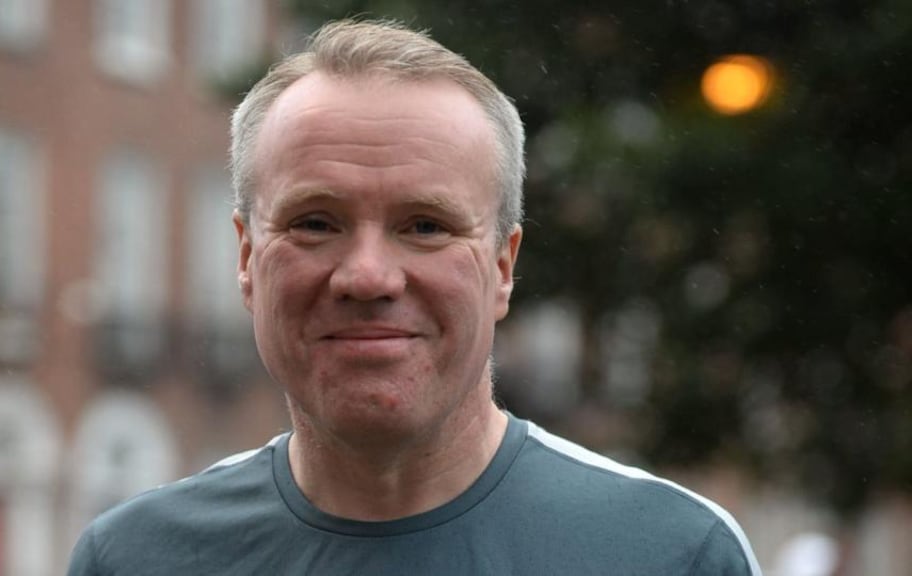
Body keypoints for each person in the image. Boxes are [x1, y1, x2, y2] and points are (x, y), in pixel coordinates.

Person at [67, 19, 763, 575]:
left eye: (425, 226)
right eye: (316, 223)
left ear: (503, 265)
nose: (368, 277)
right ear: (248, 257)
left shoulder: (673, 554)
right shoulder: (135, 558)